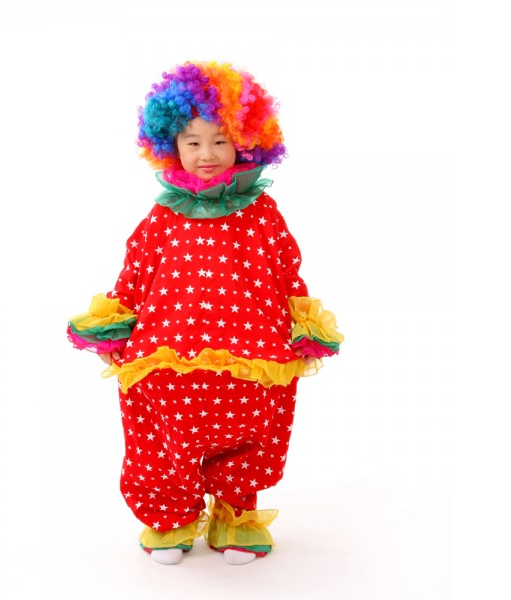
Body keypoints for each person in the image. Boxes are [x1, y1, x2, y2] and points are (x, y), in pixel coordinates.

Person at [67, 61, 343, 566]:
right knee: (163, 433)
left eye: (220, 140)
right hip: (167, 350)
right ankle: (170, 517)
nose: (207, 154)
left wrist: (304, 327)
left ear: (247, 141)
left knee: (250, 426)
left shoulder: (261, 212)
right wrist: (115, 324)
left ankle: (235, 515)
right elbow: (136, 272)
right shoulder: (163, 214)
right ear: (170, 144)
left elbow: (286, 271)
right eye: (192, 142)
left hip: (253, 350)